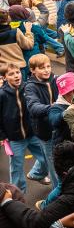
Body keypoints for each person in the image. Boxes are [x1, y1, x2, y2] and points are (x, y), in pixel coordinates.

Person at [0, 61, 50, 193]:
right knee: (16, 169)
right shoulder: (2, 95)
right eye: (11, 74)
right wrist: (2, 135)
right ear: (4, 78)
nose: (16, 76)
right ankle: (18, 194)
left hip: (33, 133)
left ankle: (36, 174)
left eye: (17, 72)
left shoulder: (28, 88)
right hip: (14, 138)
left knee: (46, 158)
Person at [22, 54, 60, 189]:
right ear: (32, 70)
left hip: (60, 127)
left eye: (48, 66)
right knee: (54, 166)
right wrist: (53, 108)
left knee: (61, 160)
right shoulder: (30, 87)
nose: (46, 70)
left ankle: (36, 173)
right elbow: (33, 107)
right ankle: (58, 196)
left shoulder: (56, 79)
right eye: (41, 68)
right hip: (45, 131)